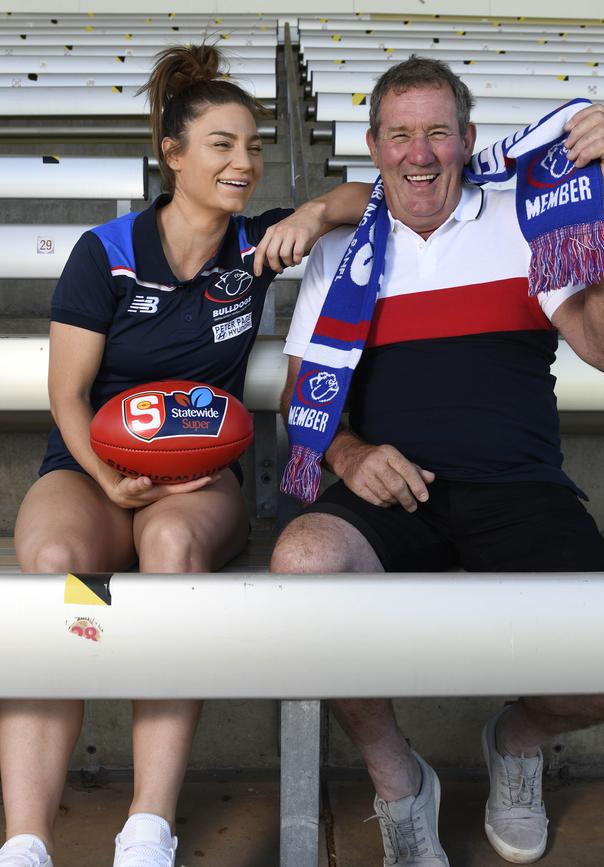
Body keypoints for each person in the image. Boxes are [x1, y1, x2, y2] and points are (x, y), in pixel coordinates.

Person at [271, 56, 604, 865]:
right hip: (388, 495)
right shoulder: (344, 249)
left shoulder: (525, 220)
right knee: (304, 565)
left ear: (469, 141)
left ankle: (515, 740)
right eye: (401, 134)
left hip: (519, 489)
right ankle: (399, 781)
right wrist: (349, 449)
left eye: (438, 132)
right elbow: (299, 392)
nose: (420, 153)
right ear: (373, 147)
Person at [2, 43, 370, 867]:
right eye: (223, 145)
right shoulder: (107, 252)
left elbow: (376, 191)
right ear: (173, 154)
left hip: (198, 482)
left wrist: (312, 214)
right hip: (94, 474)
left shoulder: (256, 246)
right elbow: (67, 396)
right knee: (58, 570)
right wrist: (107, 479)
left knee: (169, 555)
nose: (245, 162)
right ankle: (26, 840)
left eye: (254, 146)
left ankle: (148, 826)